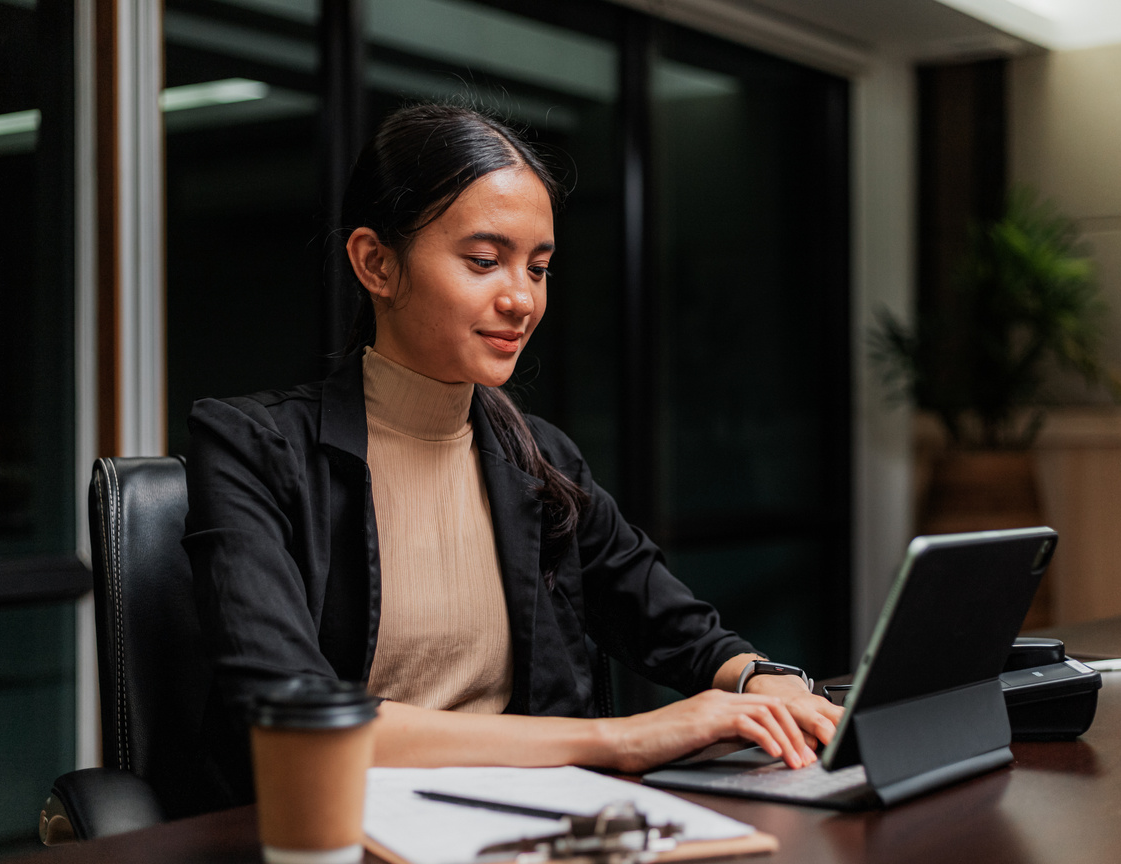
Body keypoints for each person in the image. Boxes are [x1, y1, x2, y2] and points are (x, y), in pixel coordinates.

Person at [183, 103, 842, 805]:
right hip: (332, 827)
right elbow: (299, 720)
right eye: (485, 261)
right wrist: (621, 739)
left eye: (539, 267)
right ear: (376, 263)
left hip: (524, 821)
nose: (522, 299)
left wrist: (757, 677)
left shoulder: (537, 455)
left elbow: (672, 625)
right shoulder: (253, 447)